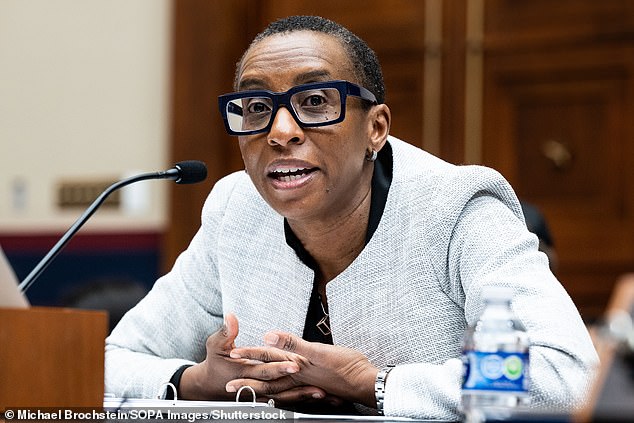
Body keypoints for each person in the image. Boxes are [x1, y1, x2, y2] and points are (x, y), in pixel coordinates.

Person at [105, 15, 598, 419]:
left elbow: (561, 379)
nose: (280, 132)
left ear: (375, 128)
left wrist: (374, 383)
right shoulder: (236, 210)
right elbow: (108, 362)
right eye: (255, 106)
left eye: (315, 102)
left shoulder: (459, 210)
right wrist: (199, 382)